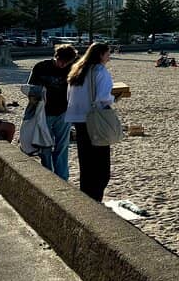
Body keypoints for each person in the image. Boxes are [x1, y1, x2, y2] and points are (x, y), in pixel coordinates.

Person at [66, 43, 116, 202]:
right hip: (94, 119)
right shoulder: (100, 71)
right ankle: (96, 200)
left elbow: (69, 96)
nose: (109, 56)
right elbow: (103, 97)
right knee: (101, 168)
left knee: (86, 163)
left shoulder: (77, 70)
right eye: (108, 53)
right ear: (101, 54)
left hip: (78, 119)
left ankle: (86, 199)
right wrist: (114, 98)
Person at [28, 44, 78, 180]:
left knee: (62, 146)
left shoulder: (73, 68)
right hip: (43, 112)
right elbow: (31, 89)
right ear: (56, 57)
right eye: (61, 61)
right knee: (45, 146)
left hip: (64, 112)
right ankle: (48, 174)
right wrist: (33, 101)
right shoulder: (41, 67)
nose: (63, 65)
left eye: (66, 62)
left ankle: (62, 177)